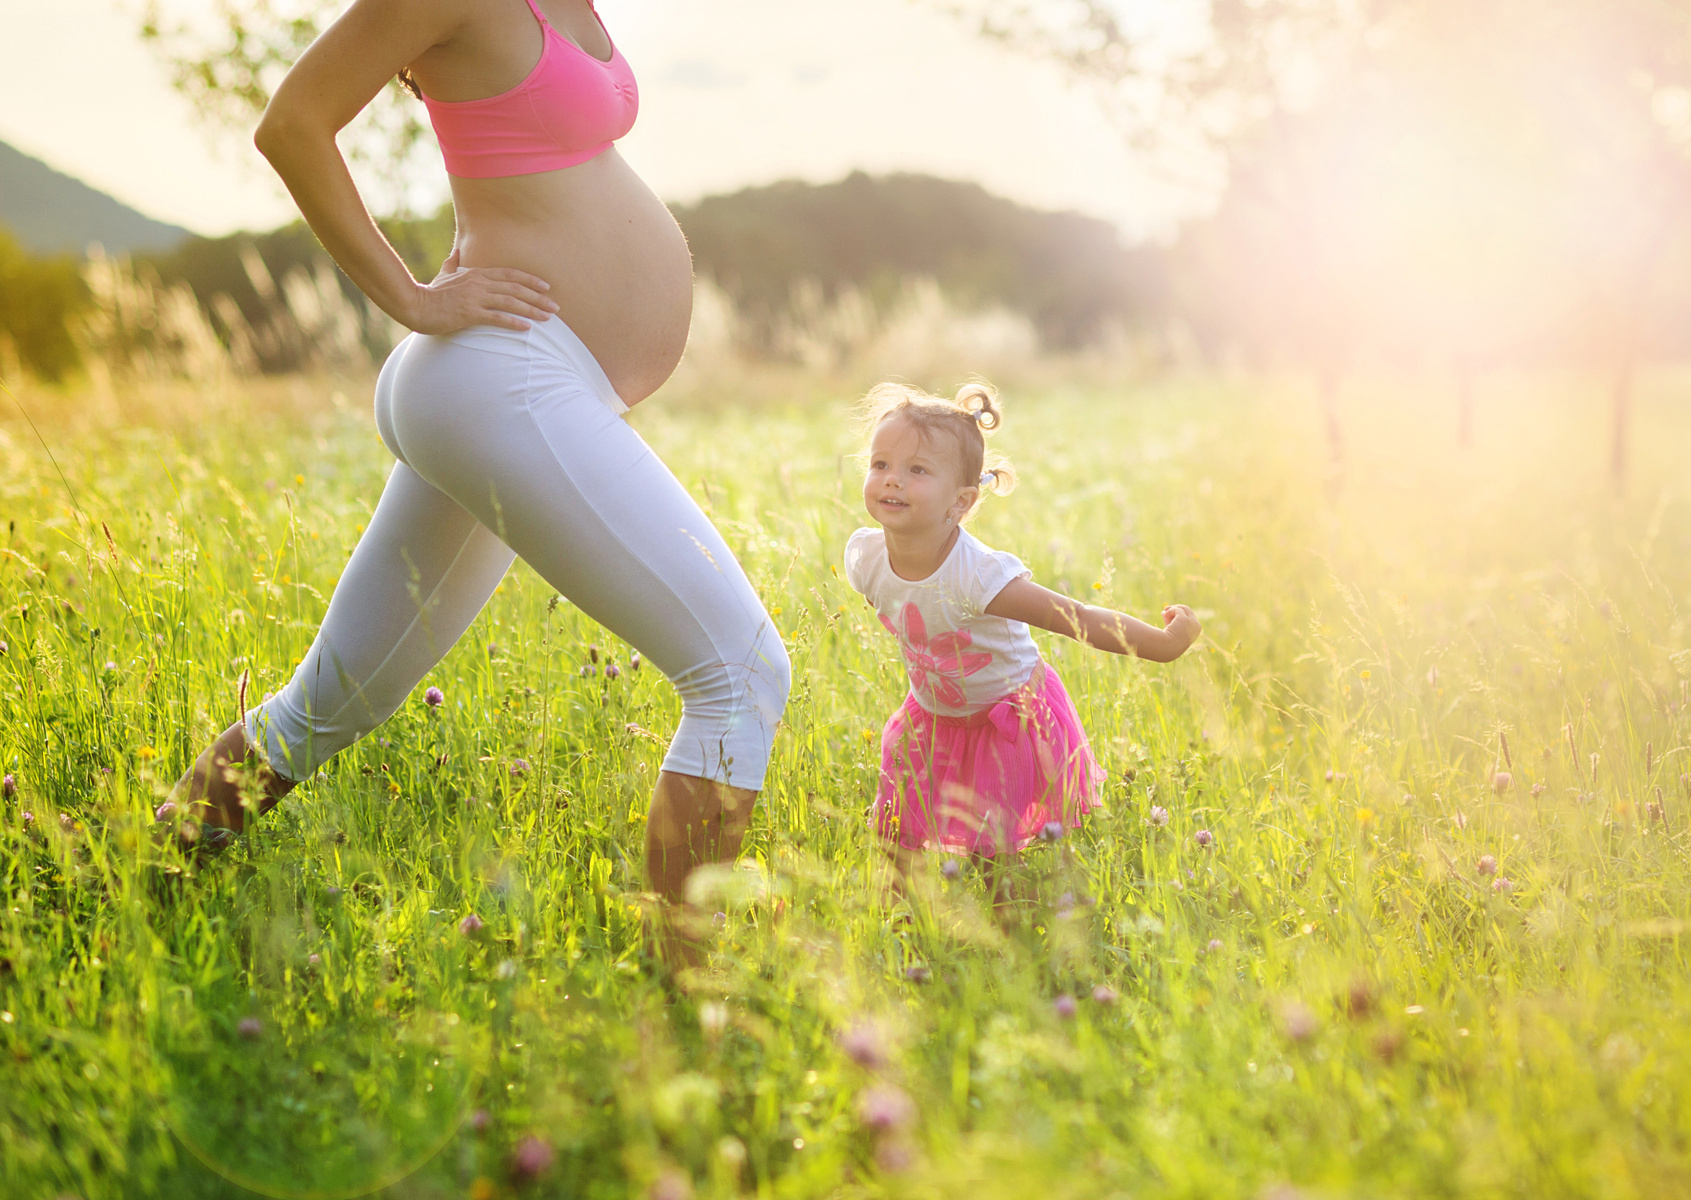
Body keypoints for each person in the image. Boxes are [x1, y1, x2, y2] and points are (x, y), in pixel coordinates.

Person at [161, 0, 791, 956]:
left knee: (324, 707)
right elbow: (291, 124)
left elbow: (528, 156)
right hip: (503, 380)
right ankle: (692, 1004)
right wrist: (411, 296)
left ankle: (144, 882)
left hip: (517, 388)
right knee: (739, 676)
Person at [843, 381, 1200, 872]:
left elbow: (1079, 618)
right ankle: (899, 925)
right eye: (880, 464)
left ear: (962, 502)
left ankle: (1009, 930)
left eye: (917, 470)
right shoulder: (866, 557)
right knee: (899, 832)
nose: (892, 480)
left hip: (1006, 720)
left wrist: (1164, 643)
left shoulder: (980, 576)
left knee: (997, 854)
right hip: (932, 717)